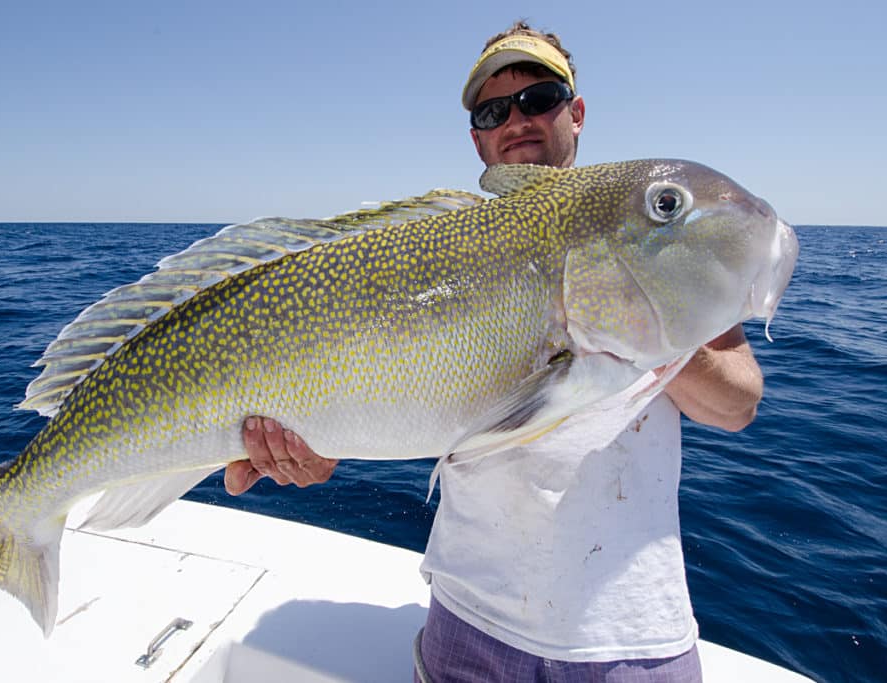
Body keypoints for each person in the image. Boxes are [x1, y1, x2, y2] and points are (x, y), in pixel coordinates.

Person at [225, 21, 763, 682]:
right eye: (492, 109)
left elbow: (739, 402)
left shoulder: (649, 250)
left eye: (539, 96)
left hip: (632, 643)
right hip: (468, 627)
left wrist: (651, 333)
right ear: (478, 136)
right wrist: (310, 450)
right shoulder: (431, 253)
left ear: (577, 112)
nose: (517, 119)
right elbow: (375, 400)